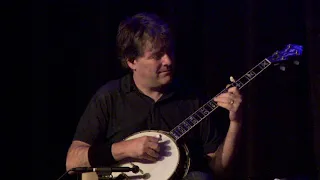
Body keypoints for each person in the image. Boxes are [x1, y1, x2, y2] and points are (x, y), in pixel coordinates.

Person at [65, 12, 243, 180]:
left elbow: (219, 168)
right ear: (132, 61)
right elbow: (72, 162)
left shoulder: (192, 98)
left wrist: (236, 122)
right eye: (157, 56)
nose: (168, 61)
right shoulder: (109, 97)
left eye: (169, 52)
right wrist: (124, 149)